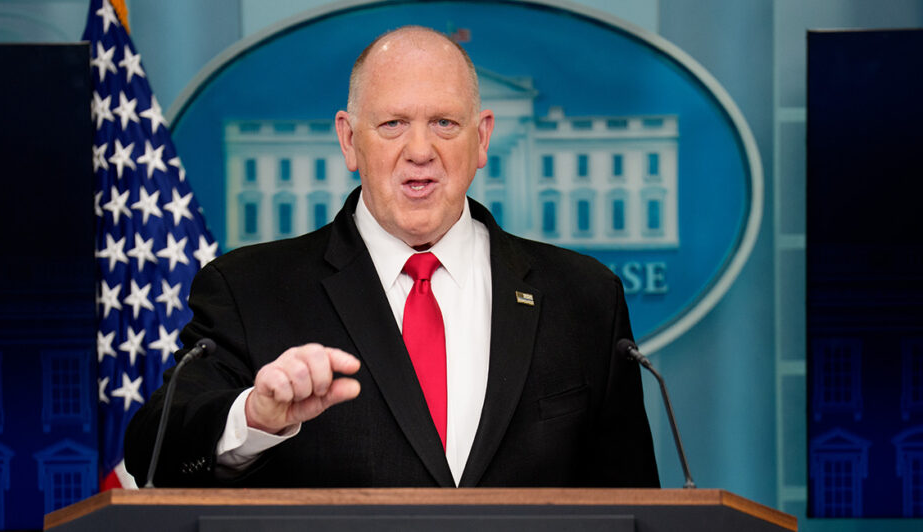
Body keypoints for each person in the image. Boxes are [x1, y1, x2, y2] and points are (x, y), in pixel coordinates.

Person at [124, 26, 659, 488]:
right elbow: (154, 450)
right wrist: (255, 418)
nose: (420, 150)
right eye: (393, 124)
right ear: (349, 140)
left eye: (445, 123)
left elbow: (634, 501)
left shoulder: (584, 296)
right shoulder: (248, 289)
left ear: (481, 139)